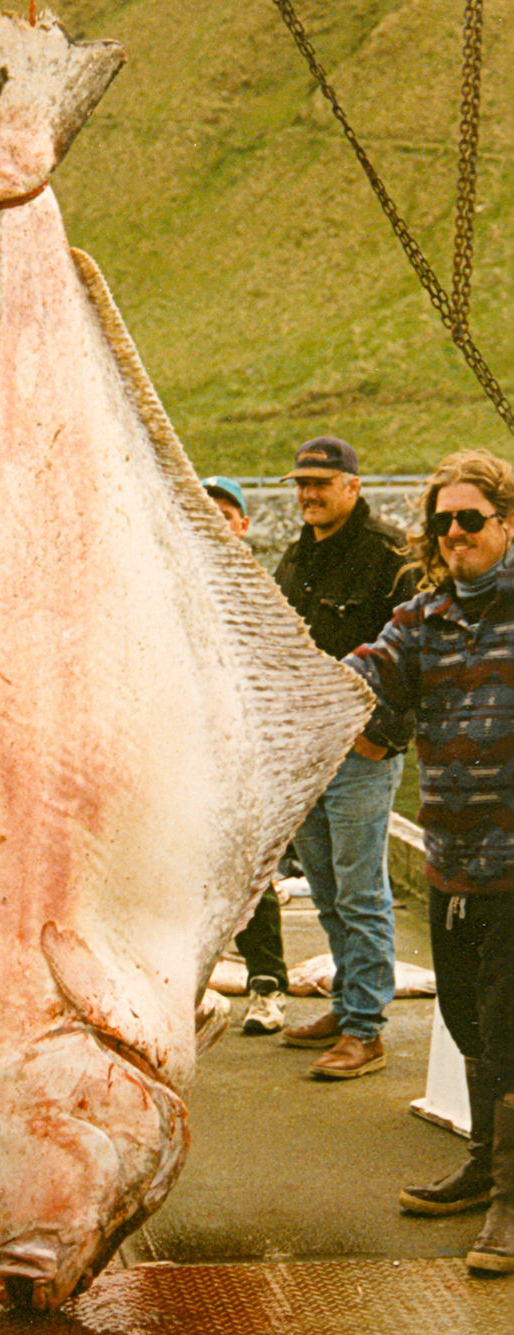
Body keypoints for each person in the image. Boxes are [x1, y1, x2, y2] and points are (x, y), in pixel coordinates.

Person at [347, 448, 514, 1275]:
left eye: (472, 519)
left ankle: (511, 1204)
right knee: (465, 1020)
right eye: (443, 521)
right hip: (452, 861)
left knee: (510, 1027)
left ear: (508, 524)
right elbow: (370, 683)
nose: (455, 533)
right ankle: (486, 1163)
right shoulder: (421, 619)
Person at [274, 436, 415, 1079]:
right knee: (328, 891)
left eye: (321, 484)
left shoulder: (392, 558)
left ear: (352, 487)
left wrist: (384, 734)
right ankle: (344, 1002)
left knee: (361, 894)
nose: (308, 495)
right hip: (306, 751)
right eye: (301, 484)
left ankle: (366, 1031)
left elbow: (420, 651)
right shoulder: (294, 561)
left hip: (362, 750)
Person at [203, 476, 289, 1034]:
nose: (215, 522)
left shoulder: (265, 589)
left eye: (225, 513)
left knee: (253, 870)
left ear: (244, 524)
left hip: (250, 748)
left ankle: (267, 987)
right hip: (190, 750)